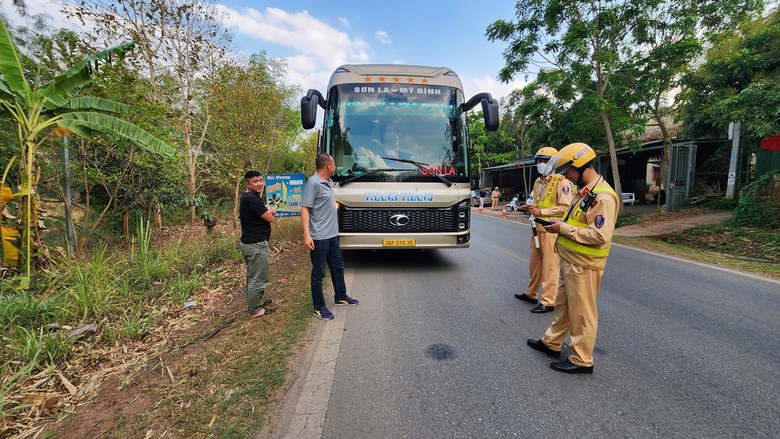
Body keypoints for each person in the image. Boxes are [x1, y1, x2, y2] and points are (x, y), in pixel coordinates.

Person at [526, 143, 619, 374]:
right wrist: (557, 226)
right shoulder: (585, 191)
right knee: (564, 307)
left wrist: (563, 229)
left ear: (581, 166)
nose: (566, 175)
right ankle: (552, 342)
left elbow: (600, 235)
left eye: (568, 170)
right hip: (572, 260)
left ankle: (582, 359)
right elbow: (575, 222)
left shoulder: (603, 197)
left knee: (582, 313)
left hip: (585, 265)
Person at [302, 153, 359, 321]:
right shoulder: (313, 183)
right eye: (334, 164)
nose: (335, 167)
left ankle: (341, 296)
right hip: (319, 237)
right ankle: (319, 307)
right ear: (328, 166)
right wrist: (307, 235)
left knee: (338, 267)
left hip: (332, 235)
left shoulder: (329, 182)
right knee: (318, 273)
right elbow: (305, 209)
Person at [516, 147, 573, 313]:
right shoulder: (537, 182)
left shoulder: (561, 181)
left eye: (545, 161)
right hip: (536, 229)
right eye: (539, 161)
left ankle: (549, 301)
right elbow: (538, 203)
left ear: (554, 162)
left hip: (551, 230)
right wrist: (529, 207)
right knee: (535, 264)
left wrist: (541, 212)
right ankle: (531, 293)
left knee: (550, 266)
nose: (541, 164)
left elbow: (565, 207)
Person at [239, 170, 277, 318]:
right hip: (255, 245)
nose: (260, 183)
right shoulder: (252, 199)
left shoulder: (250, 197)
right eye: (255, 181)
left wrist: (268, 210)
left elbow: (265, 212)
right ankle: (255, 310)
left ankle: (256, 302)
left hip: (250, 243)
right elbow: (269, 218)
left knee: (252, 275)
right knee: (258, 277)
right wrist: (270, 212)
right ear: (247, 184)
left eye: (261, 180)